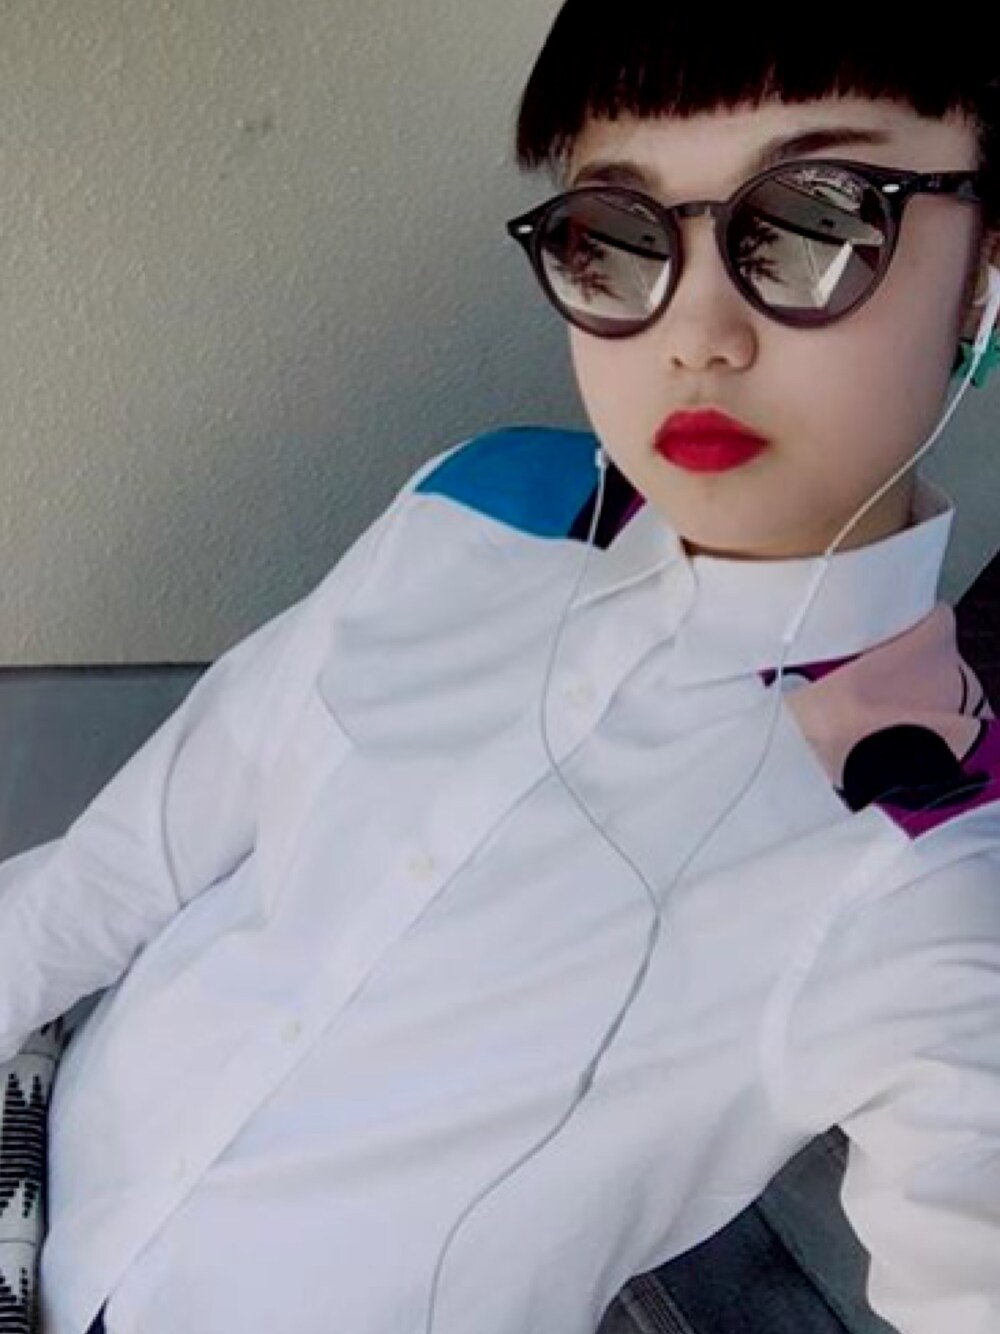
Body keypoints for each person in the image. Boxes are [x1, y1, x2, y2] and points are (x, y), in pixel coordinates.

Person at [1, 7, 999, 1333]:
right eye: (620, 234)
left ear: (986, 267)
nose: (695, 333)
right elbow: (121, 868)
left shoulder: (927, 856)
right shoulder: (478, 502)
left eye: (817, 221)